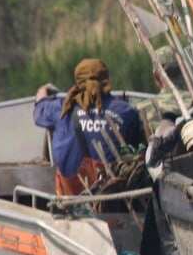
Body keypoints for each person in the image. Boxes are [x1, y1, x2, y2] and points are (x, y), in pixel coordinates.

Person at [34, 58, 143, 195]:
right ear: (107, 80)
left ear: (78, 82)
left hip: (70, 201)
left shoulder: (61, 108)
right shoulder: (127, 112)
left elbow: (39, 107)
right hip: (115, 200)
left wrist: (45, 89)